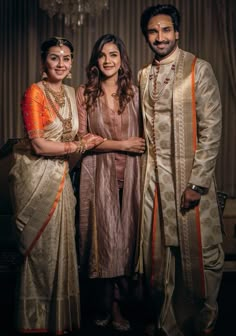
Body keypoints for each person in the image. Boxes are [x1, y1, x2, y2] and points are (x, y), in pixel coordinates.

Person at [136, 4, 224, 336]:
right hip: (155, 183)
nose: (160, 37)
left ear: (178, 32)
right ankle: (167, 324)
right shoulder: (145, 75)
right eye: (153, 31)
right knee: (160, 258)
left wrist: (198, 184)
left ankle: (201, 323)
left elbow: (211, 130)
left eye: (166, 30)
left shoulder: (198, 69)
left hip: (189, 181)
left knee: (198, 258)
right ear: (147, 35)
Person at [8, 36, 104, 335]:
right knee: (40, 251)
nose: (61, 63)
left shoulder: (72, 96)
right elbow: (38, 145)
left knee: (62, 247)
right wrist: (78, 145)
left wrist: (79, 147)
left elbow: (71, 142)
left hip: (62, 177)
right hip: (35, 179)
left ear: (72, 63)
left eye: (66, 58)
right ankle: (35, 321)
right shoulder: (34, 93)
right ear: (43, 62)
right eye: (54, 57)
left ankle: (57, 319)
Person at [76, 33, 145, 331]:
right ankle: (103, 307)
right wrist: (122, 145)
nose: (108, 61)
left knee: (126, 244)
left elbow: (144, 139)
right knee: (102, 243)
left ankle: (118, 307)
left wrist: (127, 146)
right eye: (102, 55)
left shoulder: (135, 93)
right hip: (97, 177)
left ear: (121, 59)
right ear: (96, 60)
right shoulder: (84, 93)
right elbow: (82, 140)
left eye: (113, 54)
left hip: (132, 177)